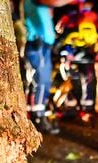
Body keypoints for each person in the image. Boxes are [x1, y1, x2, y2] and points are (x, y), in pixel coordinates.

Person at [24, 0, 79, 134]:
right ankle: (38, 118)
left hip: (43, 44)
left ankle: (38, 116)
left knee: (43, 81)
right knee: (41, 81)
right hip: (38, 43)